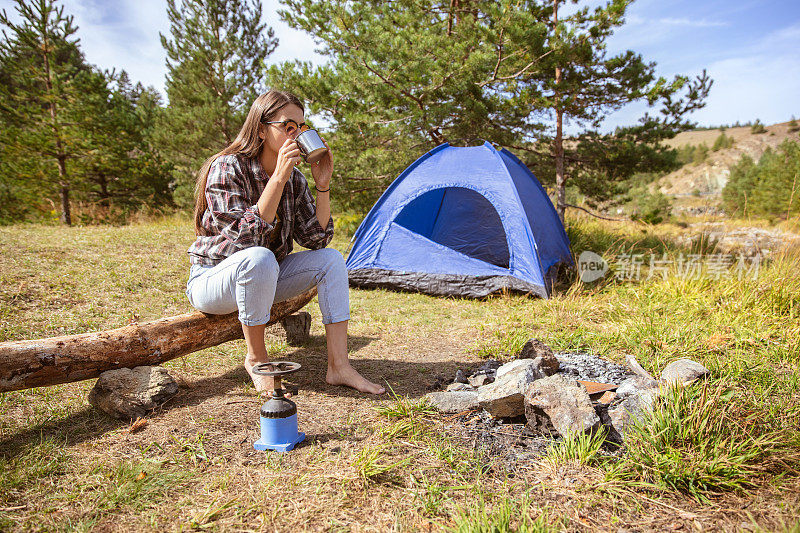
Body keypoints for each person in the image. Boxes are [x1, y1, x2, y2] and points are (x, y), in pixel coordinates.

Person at [185, 90, 385, 395]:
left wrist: (323, 186)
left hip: (266, 276)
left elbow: (317, 238)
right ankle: (256, 359)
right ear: (262, 129)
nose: (297, 134)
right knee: (259, 257)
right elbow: (246, 239)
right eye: (288, 126)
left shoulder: (295, 179)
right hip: (214, 279)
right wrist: (276, 179)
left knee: (331, 259)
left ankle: (339, 366)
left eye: (301, 127)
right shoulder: (227, 167)